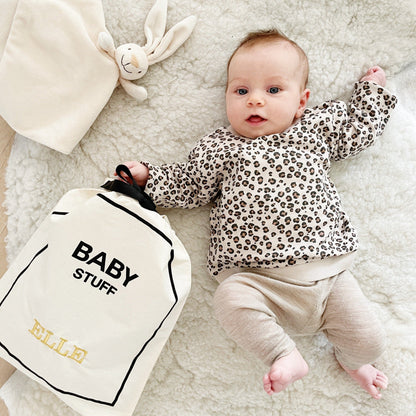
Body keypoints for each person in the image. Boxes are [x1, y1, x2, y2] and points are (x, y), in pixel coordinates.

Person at [118, 29, 397, 399]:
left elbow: (355, 130)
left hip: (328, 276)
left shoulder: (313, 129)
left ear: (302, 102)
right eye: (241, 91)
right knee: (228, 300)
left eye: (273, 90)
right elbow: (191, 185)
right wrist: (148, 178)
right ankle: (283, 353)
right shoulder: (220, 147)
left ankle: (352, 361)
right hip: (256, 281)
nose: (255, 102)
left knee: (370, 340)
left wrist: (371, 93)